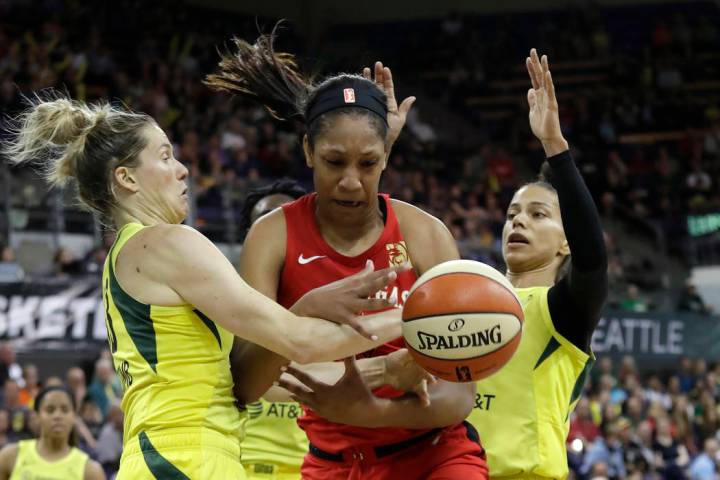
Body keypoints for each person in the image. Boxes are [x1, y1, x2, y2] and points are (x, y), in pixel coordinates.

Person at [4, 94, 407, 478]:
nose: (183, 169)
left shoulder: (133, 255)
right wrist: (415, 316)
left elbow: (264, 380)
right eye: (165, 156)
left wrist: (386, 367)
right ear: (125, 178)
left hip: (173, 456)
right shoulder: (165, 242)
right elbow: (299, 339)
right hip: (185, 458)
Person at [206, 32, 487, 479]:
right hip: (333, 466)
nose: (352, 182)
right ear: (307, 152)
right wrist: (300, 315)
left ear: (385, 159)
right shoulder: (272, 236)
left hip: (436, 457)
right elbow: (245, 384)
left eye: (368, 163)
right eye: (335, 162)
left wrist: (370, 409)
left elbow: (459, 398)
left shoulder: (426, 234)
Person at [461, 49, 607, 479]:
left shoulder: (562, 312)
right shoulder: (464, 303)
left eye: (538, 214)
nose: (519, 220)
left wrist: (554, 147)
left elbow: (594, 260)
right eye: (511, 215)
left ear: (566, 243)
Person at [0, 385, 105, 480]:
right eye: (50, 410)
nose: (57, 416)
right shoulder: (11, 456)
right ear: (37, 416)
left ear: (74, 416)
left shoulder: (90, 470)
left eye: (65, 410)